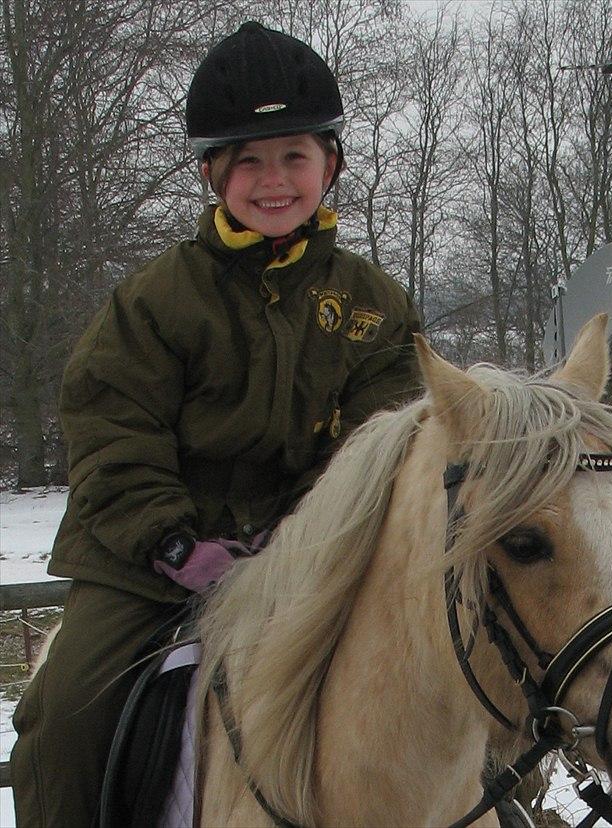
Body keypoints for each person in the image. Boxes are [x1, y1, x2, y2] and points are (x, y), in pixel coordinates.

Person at [10, 21, 421, 826]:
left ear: (328, 165)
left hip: (309, 557)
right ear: (212, 174)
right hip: (148, 569)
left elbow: (381, 444)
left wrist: (302, 537)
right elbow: (113, 434)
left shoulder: (374, 306)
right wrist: (173, 543)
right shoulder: (155, 303)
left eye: (294, 157)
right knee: (65, 719)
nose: (274, 181)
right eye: (249, 162)